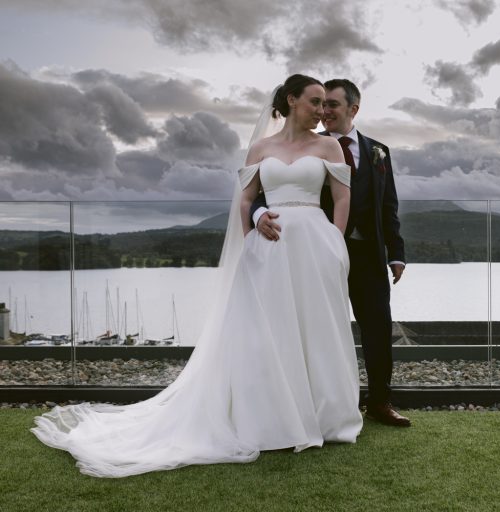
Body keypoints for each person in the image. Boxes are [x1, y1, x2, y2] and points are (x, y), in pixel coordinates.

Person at [31, 74, 364, 477]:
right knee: (269, 330)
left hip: (316, 246)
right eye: (314, 101)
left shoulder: (328, 145)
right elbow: (245, 199)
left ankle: (327, 418)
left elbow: (343, 196)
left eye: (325, 103)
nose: (321, 110)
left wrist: (335, 239)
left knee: (318, 327)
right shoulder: (261, 147)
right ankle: (275, 417)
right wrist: (252, 234)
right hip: (269, 249)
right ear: (292, 100)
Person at [252, 79, 410, 427]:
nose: (325, 112)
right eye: (321, 105)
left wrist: (395, 253)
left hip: (367, 254)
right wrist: (256, 213)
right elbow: (270, 189)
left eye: (333, 106)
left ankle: (380, 402)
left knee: (377, 328)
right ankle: (317, 404)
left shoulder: (378, 151)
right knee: (315, 327)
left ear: (353, 109)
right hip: (312, 252)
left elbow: (389, 206)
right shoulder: (305, 145)